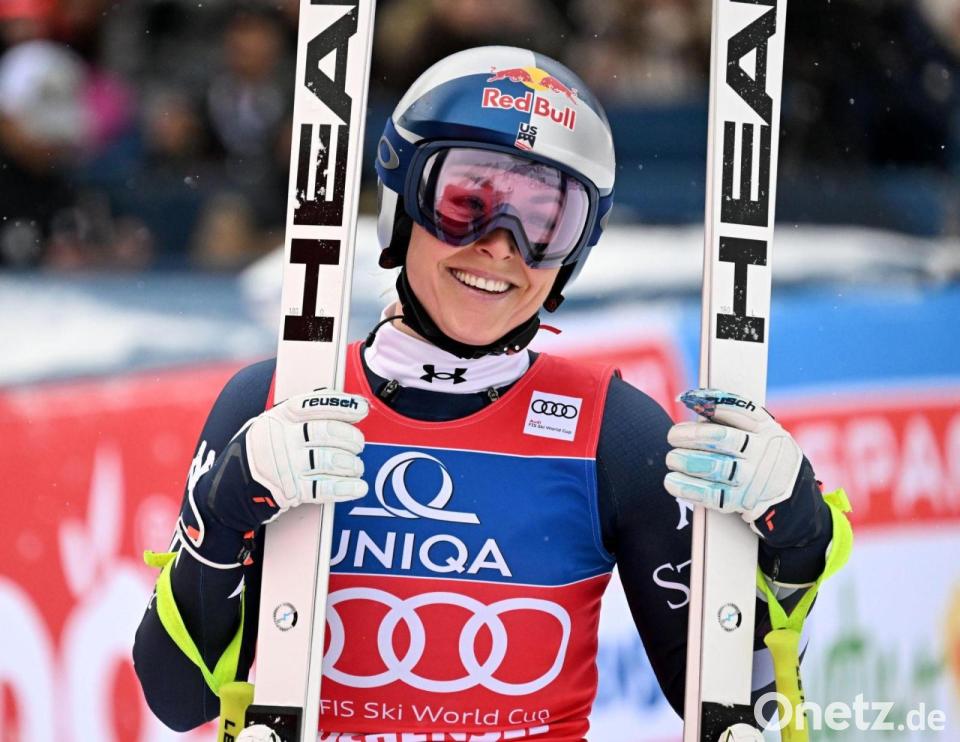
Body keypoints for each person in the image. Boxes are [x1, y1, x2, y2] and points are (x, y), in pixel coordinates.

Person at [133, 46, 839, 740]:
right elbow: (177, 696)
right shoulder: (276, 400)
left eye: (544, 221)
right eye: (467, 203)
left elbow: (743, 714)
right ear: (403, 204)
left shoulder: (615, 435)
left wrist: (797, 551)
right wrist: (219, 521)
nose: (501, 245)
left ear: (572, 255)